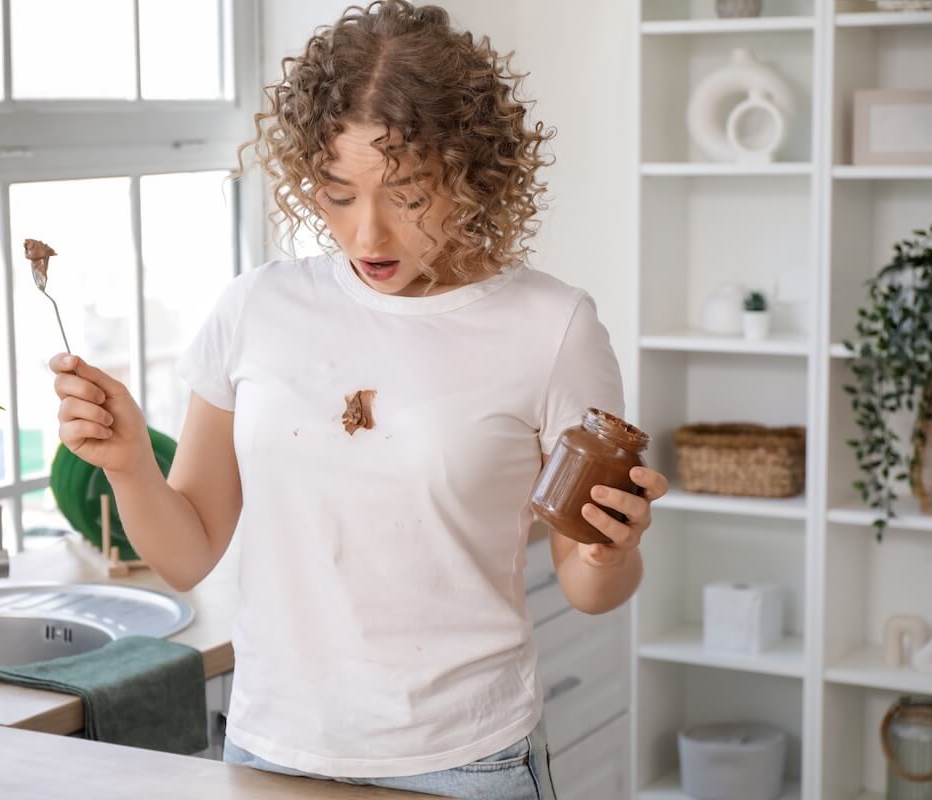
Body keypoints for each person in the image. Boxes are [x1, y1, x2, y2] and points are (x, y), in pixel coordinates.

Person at [50, 2, 668, 797]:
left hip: (466, 760)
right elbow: (190, 551)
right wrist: (131, 461)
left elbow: (589, 591)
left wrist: (609, 551)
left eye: (408, 193)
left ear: (471, 172)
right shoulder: (255, 310)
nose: (370, 234)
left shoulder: (552, 328)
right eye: (338, 195)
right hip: (273, 750)